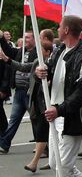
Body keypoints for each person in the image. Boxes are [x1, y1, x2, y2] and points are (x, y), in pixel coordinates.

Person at [35, 15, 82, 177]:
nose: (58, 29)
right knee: (56, 165)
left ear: (66, 30)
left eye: (60, 27)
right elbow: (50, 72)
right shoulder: (60, 51)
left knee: (63, 170)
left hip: (71, 118)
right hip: (55, 115)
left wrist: (59, 110)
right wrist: (40, 72)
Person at [0, 39, 53, 172]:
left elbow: (51, 81)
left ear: (47, 52)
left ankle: (39, 161)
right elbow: (24, 67)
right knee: (43, 130)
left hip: (47, 103)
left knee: (46, 132)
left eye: (41, 51)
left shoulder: (51, 64)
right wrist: (7, 59)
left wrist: (46, 80)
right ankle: (50, 160)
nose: (38, 53)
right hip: (35, 100)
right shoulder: (37, 62)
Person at [0, 30, 37, 153]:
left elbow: (27, 67)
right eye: (24, 37)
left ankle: (42, 145)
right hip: (19, 91)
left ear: (34, 39)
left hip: (30, 92)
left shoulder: (38, 53)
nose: (25, 40)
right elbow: (8, 51)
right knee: (14, 119)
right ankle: (4, 144)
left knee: (35, 119)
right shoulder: (20, 51)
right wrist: (1, 39)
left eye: (28, 37)